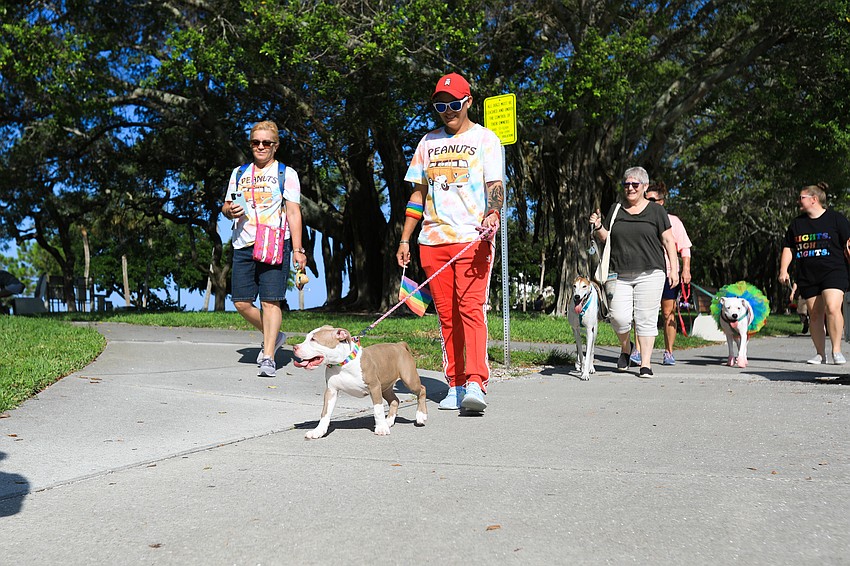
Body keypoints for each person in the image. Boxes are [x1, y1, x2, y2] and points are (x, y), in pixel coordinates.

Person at [396, 72, 503, 413]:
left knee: (471, 310)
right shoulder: (427, 143)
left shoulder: (486, 140)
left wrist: (493, 214)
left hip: (474, 238)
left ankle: (475, 382)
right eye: (440, 105)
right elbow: (418, 194)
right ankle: (455, 383)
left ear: (468, 101)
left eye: (454, 104)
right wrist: (405, 238)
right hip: (432, 241)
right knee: (447, 316)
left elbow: (495, 187)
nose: (447, 111)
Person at [222, 121, 307, 377]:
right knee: (241, 302)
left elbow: (293, 212)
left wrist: (299, 249)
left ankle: (268, 356)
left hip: (274, 242)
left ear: (275, 146)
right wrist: (229, 210)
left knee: (271, 301)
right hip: (243, 243)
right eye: (255, 142)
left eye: (266, 143)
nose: (260, 147)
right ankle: (275, 334)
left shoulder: (286, 173)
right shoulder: (239, 173)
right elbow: (226, 206)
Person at [589, 167, 679, 377]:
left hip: (651, 272)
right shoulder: (616, 209)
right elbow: (606, 238)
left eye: (635, 184)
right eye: (626, 184)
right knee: (618, 317)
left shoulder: (656, 211)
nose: (630, 188)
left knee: (646, 318)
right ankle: (626, 348)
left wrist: (674, 269)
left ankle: (645, 363)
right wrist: (599, 225)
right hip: (619, 272)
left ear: (644, 187)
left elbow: (668, 240)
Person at [778, 182, 850, 364]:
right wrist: (783, 270)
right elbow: (789, 247)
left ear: (814, 199)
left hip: (834, 271)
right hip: (808, 274)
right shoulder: (797, 224)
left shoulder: (836, 219)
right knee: (815, 314)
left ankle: (836, 350)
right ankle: (820, 354)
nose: (798, 201)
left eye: (802, 197)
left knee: (833, 307)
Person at [630, 181, 692, 366]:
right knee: (641, 312)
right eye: (646, 198)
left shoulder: (674, 222)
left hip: (668, 273)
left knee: (668, 313)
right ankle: (638, 351)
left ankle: (668, 352)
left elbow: (685, 248)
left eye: (652, 199)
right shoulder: (640, 219)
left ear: (662, 202)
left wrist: (685, 270)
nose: (647, 202)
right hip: (645, 271)